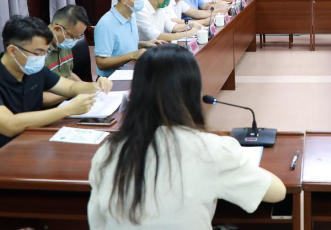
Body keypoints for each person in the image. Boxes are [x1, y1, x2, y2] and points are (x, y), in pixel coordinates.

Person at [88, 44, 286, 229]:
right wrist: (238, 162)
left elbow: (96, 223)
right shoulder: (211, 150)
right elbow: (278, 192)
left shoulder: (108, 152)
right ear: (192, 92)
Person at [0, 16, 112, 163]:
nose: (42, 58)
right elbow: (9, 125)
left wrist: (96, 85)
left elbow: (70, 87)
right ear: (12, 51)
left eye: (45, 52)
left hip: (31, 142)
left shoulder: (34, 71)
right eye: (37, 53)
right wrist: (68, 109)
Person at [94, 0, 163, 77]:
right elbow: (101, 63)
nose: (143, 1)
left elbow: (121, 47)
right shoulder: (106, 25)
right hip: (112, 79)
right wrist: (133, 55)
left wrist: (144, 44)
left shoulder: (131, 15)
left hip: (131, 69)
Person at [44, 5, 90, 107]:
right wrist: (73, 91)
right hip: (53, 108)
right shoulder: (38, 51)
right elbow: (40, 98)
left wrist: (84, 87)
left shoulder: (62, 42)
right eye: (72, 36)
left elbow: (68, 73)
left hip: (69, 100)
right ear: (57, 29)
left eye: (79, 37)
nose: (74, 41)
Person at [136, 0, 201, 42]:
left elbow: (171, 26)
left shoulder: (159, 7)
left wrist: (190, 25)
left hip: (160, 45)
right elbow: (156, 36)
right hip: (148, 47)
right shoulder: (141, 10)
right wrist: (185, 34)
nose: (169, 1)